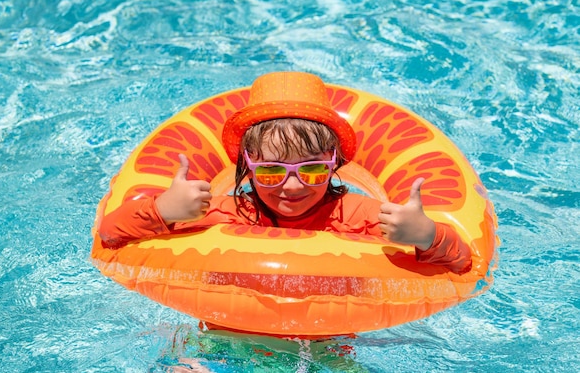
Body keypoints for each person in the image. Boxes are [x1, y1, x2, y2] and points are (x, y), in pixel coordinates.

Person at [98, 71, 471, 274]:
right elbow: (110, 235)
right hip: (222, 344)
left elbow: (463, 262)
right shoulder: (224, 212)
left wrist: (425, 235)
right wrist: (163, 210)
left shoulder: (359, 217)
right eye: (272, 171)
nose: (291, 185)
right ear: (247, 165)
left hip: (327, 351)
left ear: (334, 164)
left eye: (311, 169)